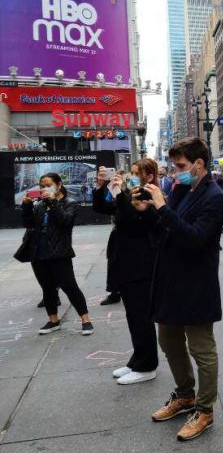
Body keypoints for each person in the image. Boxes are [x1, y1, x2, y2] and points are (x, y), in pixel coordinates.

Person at [143, 138, 223, 442]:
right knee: (168, 340)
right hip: (170, 281)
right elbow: (166, 227)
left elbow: (196, 239)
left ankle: (204, 409)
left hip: (196, 284)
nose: (175, 173)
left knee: (202, 349)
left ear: (199, 164)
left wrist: (163, 209)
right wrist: (149, 209)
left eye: (180, 166)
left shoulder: (215, 196)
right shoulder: (179, 189)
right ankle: (184, 395)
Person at [92, 160, 159, 385]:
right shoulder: (129, 195)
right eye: (130, 173)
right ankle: (137, 359)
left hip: (141, 264)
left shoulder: (150, 195)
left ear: (148, 176)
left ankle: (147, 365)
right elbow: (102, 208)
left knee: (141, 317)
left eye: (135, 174)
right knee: (133, 315)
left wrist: (120, 193)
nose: (130, 177)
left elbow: (133, 220)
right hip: (125, 262)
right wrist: (101, 186)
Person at [17, 173, 93, 336]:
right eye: (42, 185)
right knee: (47, 288)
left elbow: (64, 221)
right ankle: (53, 320)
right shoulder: (39, 204)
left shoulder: (69, 203)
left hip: (59, 253)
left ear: (58, 185)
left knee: (70, 287)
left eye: (48, 185)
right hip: (38, 253)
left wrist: (52, 201)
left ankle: (85, 320)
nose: (44, 188)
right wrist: (27, 207)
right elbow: (29, 224)